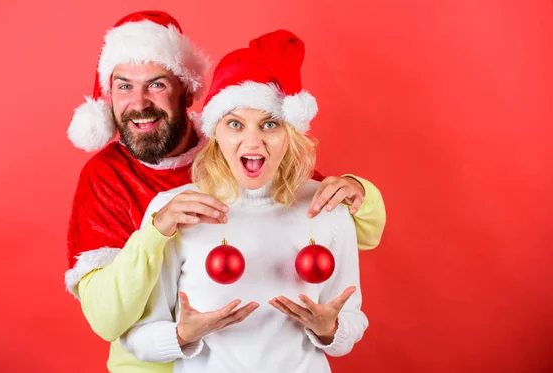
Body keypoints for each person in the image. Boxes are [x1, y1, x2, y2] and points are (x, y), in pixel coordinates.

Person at [64, 10, 384, 372]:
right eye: (124, 85)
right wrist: (155, 231)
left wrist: (359, 189)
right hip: (150, 364)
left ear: (186, 91)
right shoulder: (106, 178)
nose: (139, 103)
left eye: (156, 84)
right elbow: (109, 321)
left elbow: (321, 210)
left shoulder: (239, 145)